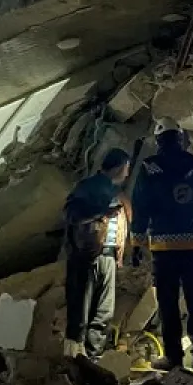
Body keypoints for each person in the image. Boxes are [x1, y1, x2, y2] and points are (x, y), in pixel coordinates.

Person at [130, 118, 193, 374]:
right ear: (181, 139)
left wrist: (136, 243)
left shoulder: (149, 169)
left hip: (164, 250)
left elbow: (141, 207)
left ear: (158, 141)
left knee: (168, 304)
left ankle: (173, 358)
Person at [63, 148, 132, 358]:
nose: (127, 174)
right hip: (87, 255)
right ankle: (75, 355)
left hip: (109, 256)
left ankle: (94, 356)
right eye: (126, 169)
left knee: (104, 310)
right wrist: (100, 213)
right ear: (119, 167)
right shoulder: (88, 188)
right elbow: (71, 214)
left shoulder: (115, 192)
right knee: (81, 309)